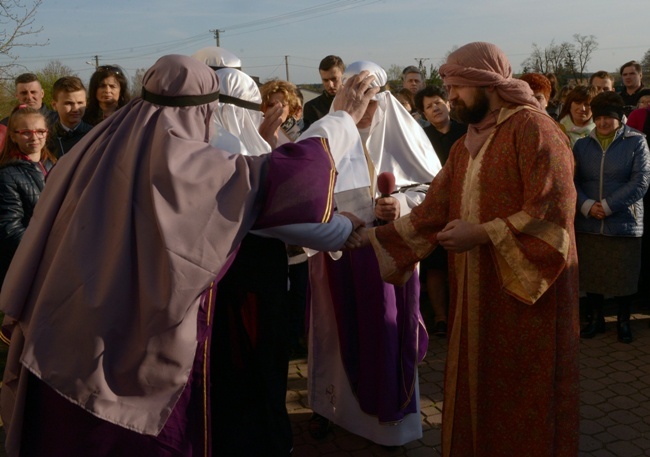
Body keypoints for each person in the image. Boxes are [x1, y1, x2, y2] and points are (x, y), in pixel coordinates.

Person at [0, 54, 379, 457]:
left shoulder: (95, 146)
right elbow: (283, 183)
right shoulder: (191, 163)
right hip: (135, 325)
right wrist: (340, 120)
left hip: (72, 311)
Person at [360, 42, 580, 456]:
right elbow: (434, 210)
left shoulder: (536, 130)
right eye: (448, 87)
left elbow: (553, 214)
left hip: (526, 301)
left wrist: (481, 234)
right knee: (477, 387)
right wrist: (365, 236)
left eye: (457, 87)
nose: (451, 97)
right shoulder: (466, 144)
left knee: (523, 395)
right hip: (474, 296)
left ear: (486, 84)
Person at [307, 60, 441, 446]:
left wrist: (399, 205)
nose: (363, 107)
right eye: (355, 96)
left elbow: (432, 191)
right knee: (334, 333)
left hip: (387, 257)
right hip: (335, 254)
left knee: (384, 330)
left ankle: (388, 423)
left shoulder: (404, 133)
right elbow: (308, 189)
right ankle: (331, 409)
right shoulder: (330, 134)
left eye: (369, 98)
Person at [575, 91, 650, 344]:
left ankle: (623, 321)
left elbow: (640, 181)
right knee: (593, 274)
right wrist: (586, 205)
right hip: (589, 221)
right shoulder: (582, 145)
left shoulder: (637, 141)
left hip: (624, 221)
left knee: (624, 275)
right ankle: (596, 319)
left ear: (620, 118)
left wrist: (607, 206)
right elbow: (571, 182)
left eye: (609, 117)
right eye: (599, 117)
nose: (604, 122)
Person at [414, 85, 467, 336]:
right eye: (428, 106)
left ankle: (462, 315)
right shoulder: (420, 138)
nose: (434, 108)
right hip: (434, 205)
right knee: (435, 265)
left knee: (462, 263)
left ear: (448, 103)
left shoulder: (466, 131)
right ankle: (440, 318)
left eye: (438, 102)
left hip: (465, 204)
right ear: (423, 114)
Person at [0, 106, 56, 292]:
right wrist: (44, 253)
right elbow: (10, 228)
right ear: (13, 136)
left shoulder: (54, 165)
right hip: (28, 265)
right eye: (26, 132)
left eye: (40, 131)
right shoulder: (7, 175)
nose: (34, 137)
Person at [48, 76, 94, 158]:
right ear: (54, 105)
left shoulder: (95, 135)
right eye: (69, 103)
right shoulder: (46, 139)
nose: (75, 109)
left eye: (80, 103)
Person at [302, 55, 345, 131]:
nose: (330, 85)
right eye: (325, 80)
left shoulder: (355, 103)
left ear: (344, 76)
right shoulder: (312, 107)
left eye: (334, 79)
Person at [260, 79, 303, 145]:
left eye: (283, 105)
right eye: (271, 105)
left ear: (290, 108)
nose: (277, 109)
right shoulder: (255, 133)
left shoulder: (302, 138)